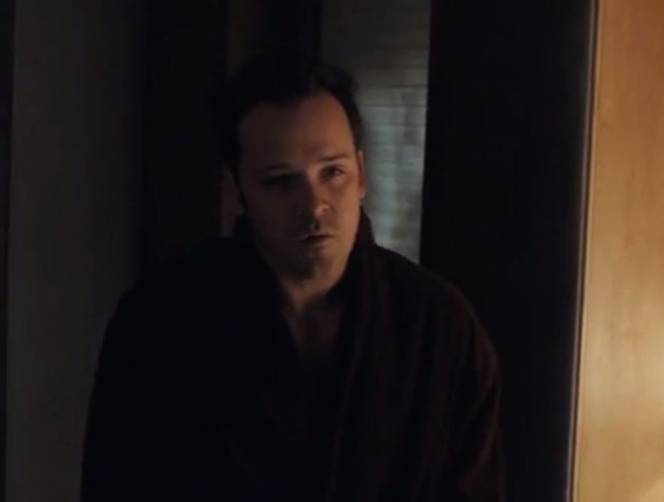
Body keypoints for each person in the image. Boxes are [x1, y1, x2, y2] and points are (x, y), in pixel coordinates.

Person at [80, 51, 504, 501]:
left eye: (333, 172)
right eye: (281, 180)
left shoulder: (439, 326)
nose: (314, 205)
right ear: (237, 191)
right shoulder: (161, 321)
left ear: (361, 175)